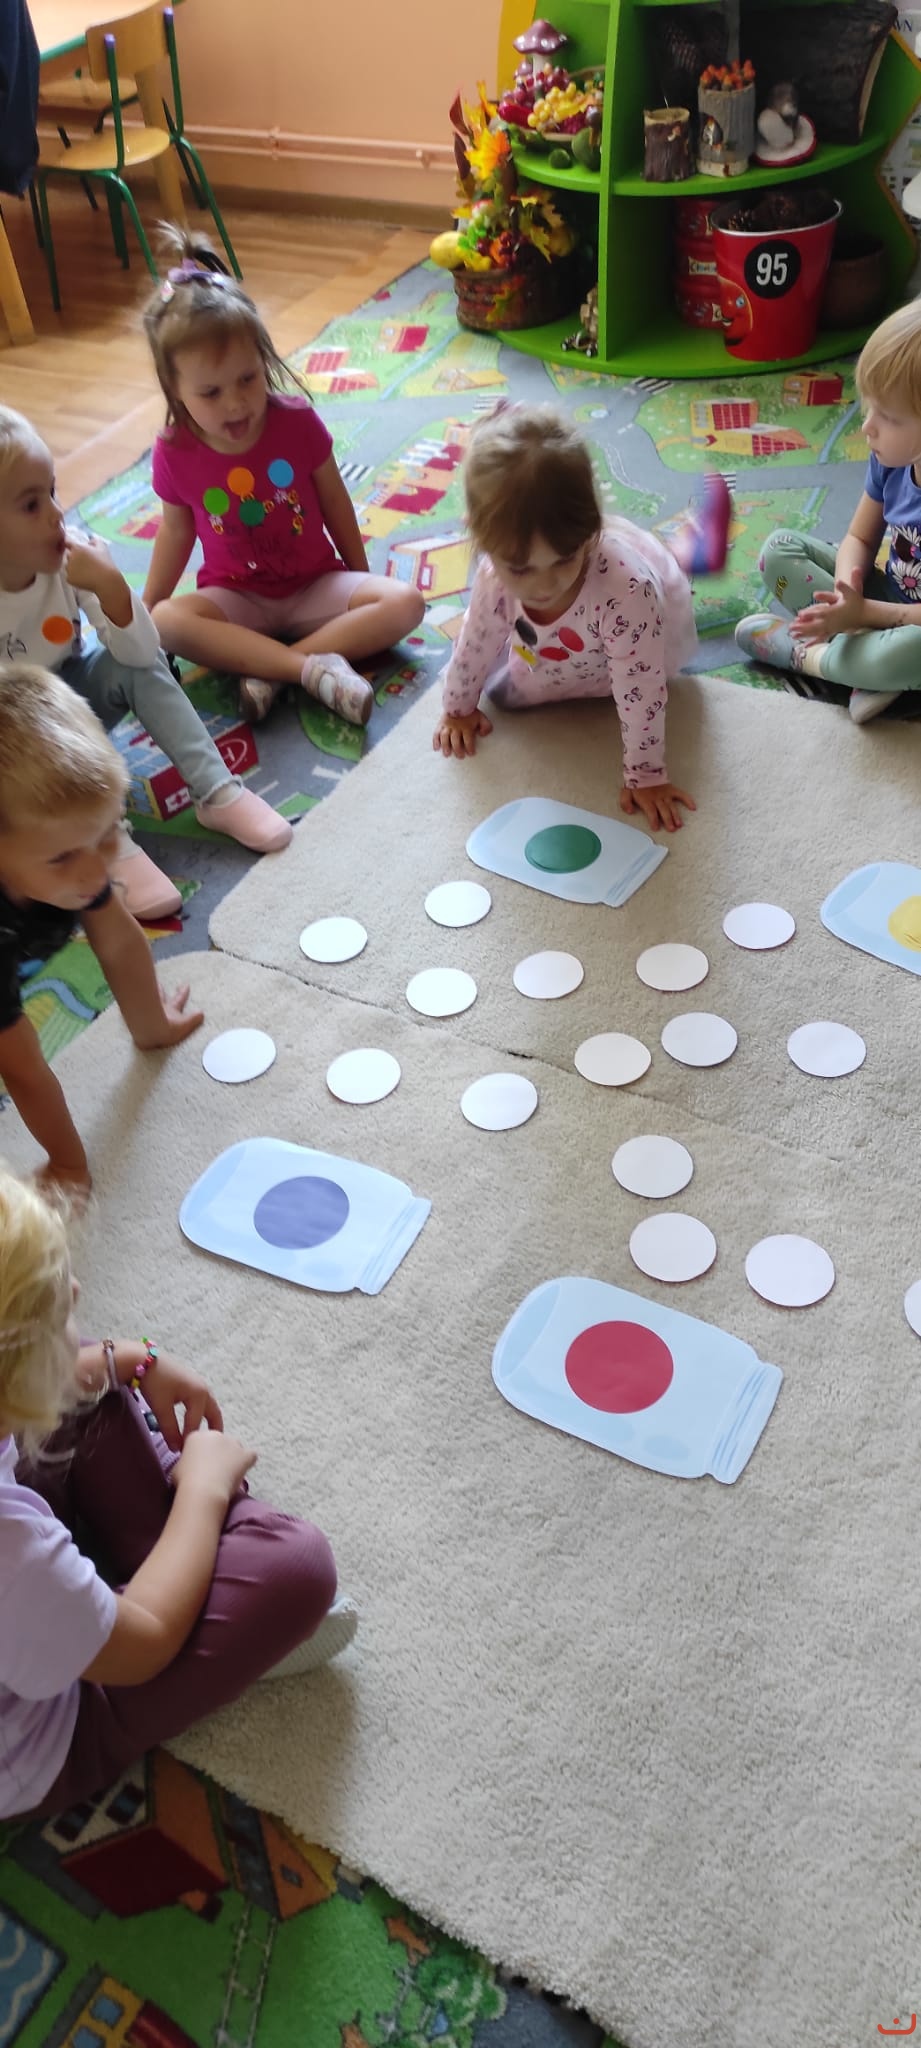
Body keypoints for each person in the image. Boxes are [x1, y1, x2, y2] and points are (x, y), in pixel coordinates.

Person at [0, 1164, 356, 1823]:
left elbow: (60, 1373)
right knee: (298, 1567)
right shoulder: (10, 1554)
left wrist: (128, 1358)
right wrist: (204, 1491)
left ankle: (168, 1556)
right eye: (58, 1306)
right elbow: (145, 1644)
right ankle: (201, 1567)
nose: (77, 1289)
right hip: (47, 1741)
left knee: (91, 1377)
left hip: (30, 1607)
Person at [0, 405, 290, 925]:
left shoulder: (72, 557)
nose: (56, 514)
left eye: (53, 492)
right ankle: (105, 840)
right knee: (35, 725)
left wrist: (110, 585)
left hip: (73, 703)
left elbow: (140, 653)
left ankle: (216, 790)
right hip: (17, 743)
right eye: (30, 504)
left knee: (136, 664)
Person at [140, 229, 425, 727]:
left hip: (315, 586)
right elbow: (176, 532)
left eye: (248, 379)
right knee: (166, 621)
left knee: (405, 602)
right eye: (211, 392)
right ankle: (308, 668)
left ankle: (271, 670)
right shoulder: (174, 450)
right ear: (174, 388)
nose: (235, 403)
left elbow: (335, 501)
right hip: (236, 598)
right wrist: (145, 613)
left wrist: (362, 578)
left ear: (264, 361)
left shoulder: (296, 422)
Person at [431, 405, 731, 833]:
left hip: (637, 635)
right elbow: (475, 641)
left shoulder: (629, 591)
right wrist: (457, 708)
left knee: (666, 576)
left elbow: (641, 690)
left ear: (590, 529)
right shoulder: (494, 575)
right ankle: (685, 549)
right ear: (480, 538)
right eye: (521, 568)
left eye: (564, 559)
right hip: (560, 656)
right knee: (500, 686)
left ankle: (694, 551)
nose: (544, 586)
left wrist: (646, 774)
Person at [0, 661, 207, 1198]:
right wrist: (68, 1165)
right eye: (65, 857)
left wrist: (151, 1026)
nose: (96, 872)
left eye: (108, 832)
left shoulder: (73, 852)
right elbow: (21, 1068)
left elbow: (116, 940)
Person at [734, 299, 921, 724]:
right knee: (778, 550)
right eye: (868, 407)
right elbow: (859, 538)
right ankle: (863, 664)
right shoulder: (892, 462)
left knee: (909, 651)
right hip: (880, 600)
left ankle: (809, 657)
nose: (867, 427)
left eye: (888, 417)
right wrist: (844, 596)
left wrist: (862, 614)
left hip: (911, 626)